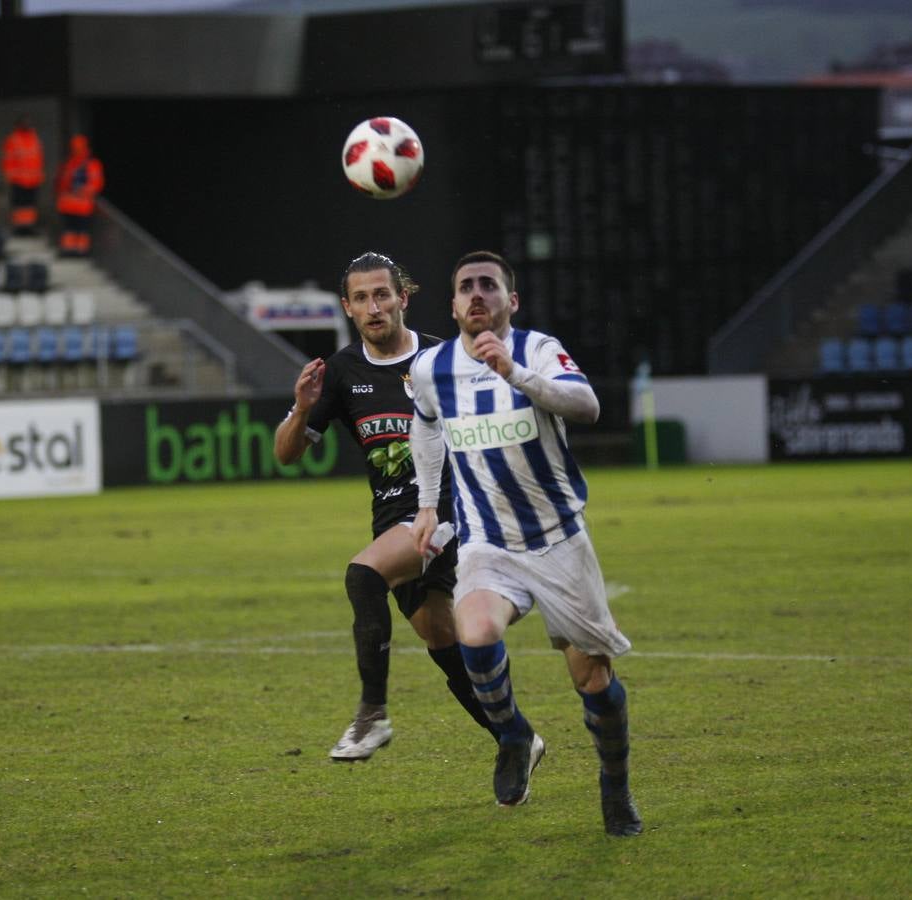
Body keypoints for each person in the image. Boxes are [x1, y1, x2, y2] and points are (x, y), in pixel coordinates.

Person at [409, 250, 642, 836]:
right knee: (476, 630)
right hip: (488, 541)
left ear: (511, 301)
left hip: (559, 540)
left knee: (593, 682)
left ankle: (614, 786)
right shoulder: (431, 367)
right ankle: (513, 736)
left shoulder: (537, 348)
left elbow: (587, 406)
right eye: (466, 287)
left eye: (490, 285)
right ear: (454, 305)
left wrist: (514, 372)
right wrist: (428, 504)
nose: (477, 295)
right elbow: (426, 424)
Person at [273, 251, 497, 761]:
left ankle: (371, 714)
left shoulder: (446, 359)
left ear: (403, 297)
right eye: (361, 298)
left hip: (449, 513)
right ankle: (517, 737)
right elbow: (286, 454)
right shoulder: (339, 373)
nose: (373, 307)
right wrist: (304, 407)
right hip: (393, 518)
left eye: (381, 294)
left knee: (363, 575)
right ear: (347, 308)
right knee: (441, 639)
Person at [54, 134, 104, 256]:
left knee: (79, 231)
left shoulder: (89, 164)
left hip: (80, 205)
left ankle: (79, 252)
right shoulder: (71, 164)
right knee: (71, 231)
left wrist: (80, 191)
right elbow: (61, 184)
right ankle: (70, 251)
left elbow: (96, 184)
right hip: (72, 205)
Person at [1, 117, 45, 235]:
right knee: (19, 205)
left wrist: (39, 175)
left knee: (30, 206)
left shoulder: (34, 138)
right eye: (25, 123)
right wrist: (10, 176)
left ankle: (29, 227)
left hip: (33, 179)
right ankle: (19, 227)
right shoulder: (13, 139)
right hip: (18, 179)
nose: (28, 125)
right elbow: (8, 159)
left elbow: (38, 158)